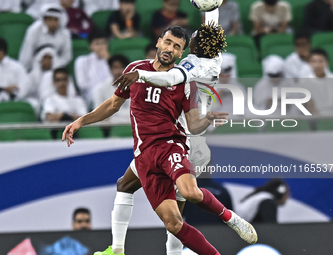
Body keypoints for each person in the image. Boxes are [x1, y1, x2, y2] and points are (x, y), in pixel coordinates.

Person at [63, 25, 257, 255]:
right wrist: (81, 121)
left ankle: (231, 218)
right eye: (168, 42)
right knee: (172, 223)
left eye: (177, 47)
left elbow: (193, 124)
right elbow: (113, 105)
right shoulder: (134, 69)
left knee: (191, 193)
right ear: (158, 42)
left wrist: (207, 120)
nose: (170, 49)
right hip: (144, 154)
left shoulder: (185, 81)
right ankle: (116, 251)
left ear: (182, 53)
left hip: (169, 147)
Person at [19, 3, 72, 71]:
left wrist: (55, 65)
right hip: (35, 66)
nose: (52, 23)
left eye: (55, 20)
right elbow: (27, 53)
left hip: (55, 66)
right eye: (49, 19)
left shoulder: (65, 34)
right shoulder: (34, 30)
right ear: (44, 20)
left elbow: (67, 56)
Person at [75, 30, 111, 106]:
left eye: (104, 43)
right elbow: (81, 84)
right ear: (90, 46)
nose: (101, 47)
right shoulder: (82, 61)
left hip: (111, 94)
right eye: (97, 43)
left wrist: (109, 60)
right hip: (90, 96)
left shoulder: (112, 61)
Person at [300, 48, 333, 115]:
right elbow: (310, 106)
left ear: (326, 62)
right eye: (313, 61)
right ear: (309, 63)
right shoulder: (304, 82)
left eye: (321, 61)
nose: (317, 65)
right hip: (316, 119)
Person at [92, 54, 130, 123]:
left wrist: (110, 113)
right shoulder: (100, 89)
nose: (118, 71)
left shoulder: (135, 88)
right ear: (110, 69)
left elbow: (132, 112)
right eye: (115, 67)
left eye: (121, 67)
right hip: (107, 126)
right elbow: (98, 113)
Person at [0, 38, 31, 104]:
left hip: (15, 99)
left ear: (2, 51)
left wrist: (16, 89)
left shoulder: (16, 66)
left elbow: (25, 85)